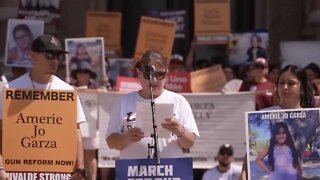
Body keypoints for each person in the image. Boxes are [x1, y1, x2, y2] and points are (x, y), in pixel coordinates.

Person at [0, 34, 87, 179]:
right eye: (49, 55)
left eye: (58, 56)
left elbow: (75, 131)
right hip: (19, 173)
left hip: (57, 173)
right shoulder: (11, 89)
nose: (55, 61)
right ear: (33, 56)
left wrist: (80, 169)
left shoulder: (68, 91)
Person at [106, 50, 199, 159]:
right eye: (148, 74)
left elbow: (189, 143)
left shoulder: (178, 101)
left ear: (166, 75)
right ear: (139, 73)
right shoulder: (123, 101)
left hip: (168, 172)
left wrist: (179, 130)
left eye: (159, 74)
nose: (153, 79)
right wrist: (126, 137)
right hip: (133, 172)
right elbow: (111, 142)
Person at [240, 64, 315, 180]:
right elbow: (249, 156)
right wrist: (244, 174)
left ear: (302, 88)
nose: (285, 87)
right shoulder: (263, 114)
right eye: (281, 82)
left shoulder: (313, 118)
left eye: (291, 83)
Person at [71, 60, 98, 180]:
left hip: (92, 126)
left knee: (90, 155)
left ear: (90, 74)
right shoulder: (68, 87)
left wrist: (103, 92)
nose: (83, 74)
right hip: (75, 127)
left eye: (86, 72)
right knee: (76, 155)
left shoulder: (97, 88)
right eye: (80, 72)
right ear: (76, 74)